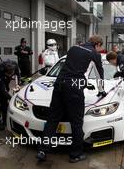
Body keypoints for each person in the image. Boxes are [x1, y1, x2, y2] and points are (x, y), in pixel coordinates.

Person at [36, 35, 106, 163]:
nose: (100, 50)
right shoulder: (94, 54)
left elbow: (67, 65)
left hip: (59, 84)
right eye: (100, 47)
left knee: (52, 119)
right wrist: (101, 91)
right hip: (74, 88)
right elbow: (99, 75)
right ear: (97, 44)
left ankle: (42, 150)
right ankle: (75, 154)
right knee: (76, 122)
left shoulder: (73, 48)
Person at [0, 60, 20, 130]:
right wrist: (12, 98)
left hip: (4, 80)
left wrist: (18, 84)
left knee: (4, 102)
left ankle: (5, 120)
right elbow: (2, 90)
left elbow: (18, 75)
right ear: (5, 72)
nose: (10, 76)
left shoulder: (15, 65)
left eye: (11, 74)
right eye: (8, 74)